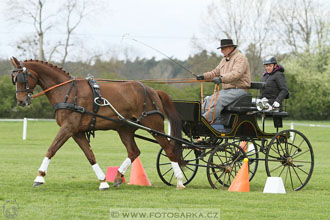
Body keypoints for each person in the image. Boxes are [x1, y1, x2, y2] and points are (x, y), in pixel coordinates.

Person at [196, 39, 251, 123]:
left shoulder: (240, 58)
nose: (221, 51)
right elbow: (215, 72)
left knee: (219, 101)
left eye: (223, 49)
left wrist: (221, 79)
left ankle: (204, 121)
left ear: (230, 48)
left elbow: (236, 74)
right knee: (209, 99)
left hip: (239, 89)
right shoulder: (224, 60)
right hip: (227, 90)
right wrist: (204, 76)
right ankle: (196, 118)